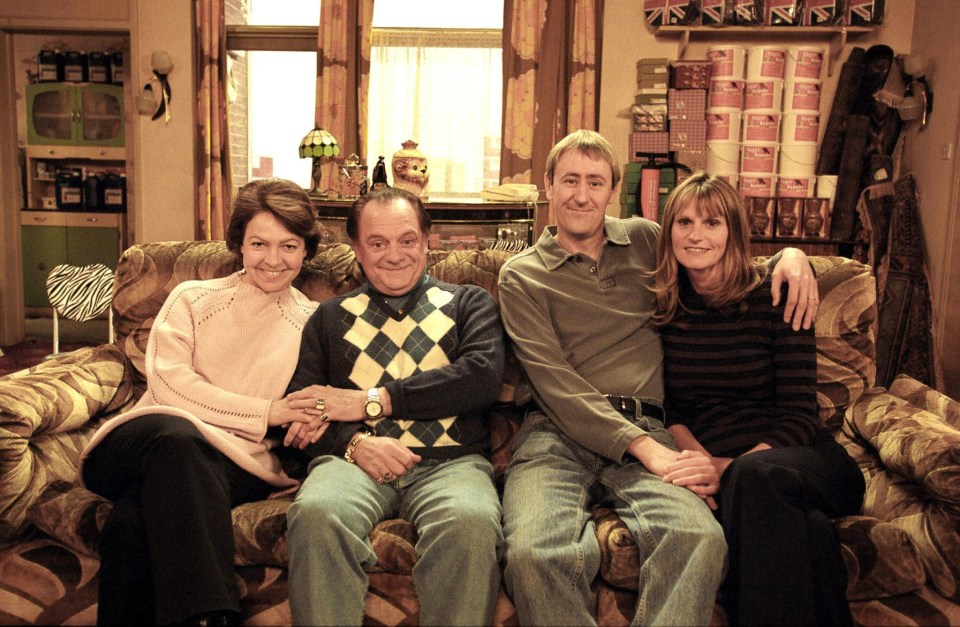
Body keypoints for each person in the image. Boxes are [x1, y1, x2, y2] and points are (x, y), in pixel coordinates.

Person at [497, 129, 820, 626]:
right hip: (556, 435)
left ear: (613, 190)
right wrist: (647, 449)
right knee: (536, 556)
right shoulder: (520, 274)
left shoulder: (648, 240)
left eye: (595, 182)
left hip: (650, 425)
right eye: (569, 181)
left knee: (698, 539)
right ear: (547, 185)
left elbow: (718, 258)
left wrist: (793, 258)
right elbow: (554, 381)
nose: (582, 195)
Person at [79, 178, 323, 626]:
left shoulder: (312, 323)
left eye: (289, 246)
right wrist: (266, 412)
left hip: (236, 465)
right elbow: (171, 387)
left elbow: (312, 407)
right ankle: (211, 617)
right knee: (179, 438)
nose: (273, 260)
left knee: (131, 525)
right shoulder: (192, 298)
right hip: (144, 441)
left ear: (306, 250)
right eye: (259, 244)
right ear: (238, 246)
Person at [284, 187, 506, 626]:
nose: (395, 255)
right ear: (356, 250)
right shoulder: (329, 317)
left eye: (407, 240)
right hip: (354, 464)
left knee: (471, 523)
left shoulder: (469, 304)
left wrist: (371, 403)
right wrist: (354, 446)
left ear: (428, 241)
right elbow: (304, 410)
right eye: (377, 242)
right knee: (316, 514)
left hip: (452, 464)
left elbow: (480, 378)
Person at [653, 171, 866, 626]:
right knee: (805, 532)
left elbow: (798, 413)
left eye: (712, 223)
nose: (696, 235)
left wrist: (727, 469)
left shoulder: (777, 293)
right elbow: (670, 409)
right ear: (667, 230)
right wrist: (697, 461)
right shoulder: (664, 309)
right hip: (735, 479)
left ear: (733, 231)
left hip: (806, 461)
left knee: (755, 478)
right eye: (684, 222)